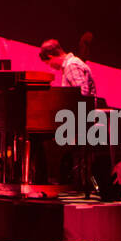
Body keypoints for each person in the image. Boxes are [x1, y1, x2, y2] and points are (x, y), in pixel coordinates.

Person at [39, 38, 100, 190]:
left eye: (48, 63)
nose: (50, 67)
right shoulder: (72, 64)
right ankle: (70, 182)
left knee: (47, 142)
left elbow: (81, 94)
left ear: (51, 56)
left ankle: (60, 183)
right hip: (79, 118)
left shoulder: (72, 65)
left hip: (82, 120)